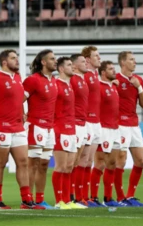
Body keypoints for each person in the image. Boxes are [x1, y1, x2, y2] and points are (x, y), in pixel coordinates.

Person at [0, 50, 42, 210]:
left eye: (17, 58)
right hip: (2, 127)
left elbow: (18, 100)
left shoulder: (18, 78)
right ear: (4, 62)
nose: (17, 60)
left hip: (18, 126)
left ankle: (26, 200)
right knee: (1, 163)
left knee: (23, 162)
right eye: (13, 58)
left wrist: (22, 113)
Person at [24, 49, 58, 209]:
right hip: (36, 125)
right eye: (52, 59)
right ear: (43, 62)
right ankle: (28, 200)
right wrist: (21, 115)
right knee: (33, 163)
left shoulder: (53, 81)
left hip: (50, 128)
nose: (55, 61)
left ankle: (40, 199)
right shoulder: (33, 80)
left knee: (44, 164)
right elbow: (19, 99)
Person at [52, 57, 86, 209]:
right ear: (60, 69)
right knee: (60, 166)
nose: (73, 67)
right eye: (69, 65)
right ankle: (59, 201)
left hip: (72, 129)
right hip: (60, 129)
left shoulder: (69, 85)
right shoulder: (55, 85)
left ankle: (67, 200)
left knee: (69, 166)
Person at [116, 51, 143, 207]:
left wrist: (139, 88)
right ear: (123, 62)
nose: (135, 62)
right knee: (120, 161)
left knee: (140, 161)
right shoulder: (115, 79)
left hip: (134, 125)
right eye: (131, 60)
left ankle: (130, 195)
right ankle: (120, 197)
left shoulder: (138, 80)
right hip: (119, 125)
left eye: (135, 60)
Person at [95, 61, 124, 207]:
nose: (115, 71)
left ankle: (108, 198)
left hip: (115, 128)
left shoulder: (113, 86)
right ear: (103, 72)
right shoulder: (98, 86)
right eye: (111, 69)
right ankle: (93, 198)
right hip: (103, 128)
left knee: (112, 163)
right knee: (100, 163)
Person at [78, 46, 104, 207]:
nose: (99, 58)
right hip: (86, 121)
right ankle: (79, 196)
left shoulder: (95, 75)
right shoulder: (84, 76)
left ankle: (86, 196)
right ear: (88, 60)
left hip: (96, 123)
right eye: (96, 56)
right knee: (83, 160)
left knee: (89, 162)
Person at [69, 53, 91, 205]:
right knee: (71, 162)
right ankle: (69, 195)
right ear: (75, 66)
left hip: (83, 123)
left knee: (78, 161)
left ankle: (77, 196)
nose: (86, 63)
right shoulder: (73, 80)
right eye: (83, 62)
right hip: (74, 123)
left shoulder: (83, 81)